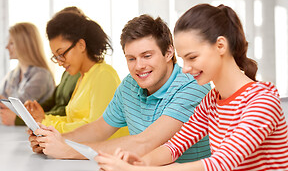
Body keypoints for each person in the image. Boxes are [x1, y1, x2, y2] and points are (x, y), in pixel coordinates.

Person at [95, 4, 288, 171]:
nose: (185, 68)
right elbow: (173, 147)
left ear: (220, 46)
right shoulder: (212, 101)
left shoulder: (262, 101)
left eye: (192, 57)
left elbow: (217, 167)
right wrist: (139, 163)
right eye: (183, 59)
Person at [29, 14, 211, 161]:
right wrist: (53, 142)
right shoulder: (130, 85)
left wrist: (68, 150)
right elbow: (99, 129)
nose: (138, 66)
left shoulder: (192, 86)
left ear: (169, 52)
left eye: (147, 56)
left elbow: (145, 143)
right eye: (131, 58)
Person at [26, 11, 128, 138]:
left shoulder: (104, 75)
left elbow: (96, 128)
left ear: (81, 45)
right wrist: (42, 119)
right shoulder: (83, 78)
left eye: (62, 54)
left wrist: (46, 124)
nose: (59, 62)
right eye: (56, 57)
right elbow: (72, 121)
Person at [0, 22, 55, 125]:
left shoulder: (41, 76)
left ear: (24, 45)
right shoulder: (13, 75)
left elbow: (17, 112)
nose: (7, 47)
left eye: (11, 43)